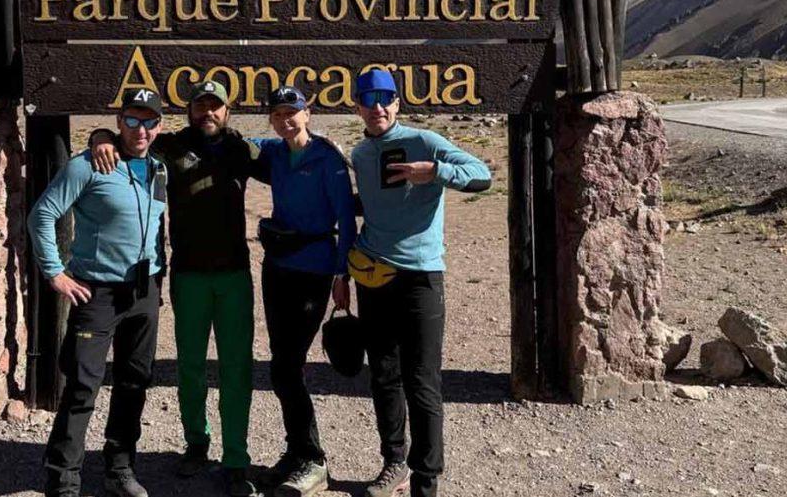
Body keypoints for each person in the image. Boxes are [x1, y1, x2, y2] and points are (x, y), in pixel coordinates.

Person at [89, 80, 263, 497]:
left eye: (215, 106)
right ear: (189, 110)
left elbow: (289, 157)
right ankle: (196, 443)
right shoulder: (170, 146)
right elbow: (126, 139)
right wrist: (99, 136)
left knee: (236, 368)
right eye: (201, 105)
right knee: (190, 366)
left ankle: (236, 458)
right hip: (188, 274)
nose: (208, 113)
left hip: (234, 274)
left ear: (227, 111)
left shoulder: (242, 148)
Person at [347, 69, 491, 497]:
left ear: (397, 103)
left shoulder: (424, 142)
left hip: (420, 276)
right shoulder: (360, 153)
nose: (377, 106)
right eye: (368, 98)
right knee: (383, 375)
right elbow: (371, 204)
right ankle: (394, 463)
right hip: (374, 274)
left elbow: (482, 174)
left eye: (385, 97)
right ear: (357, 106)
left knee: (422, 380)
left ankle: (425, 480)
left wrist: (436, 171)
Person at [27, 88, 169, 497]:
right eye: (132, 120)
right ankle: (63, 481)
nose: (140, 130)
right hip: (98, 293)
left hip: (144, 290)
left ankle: (119, 468)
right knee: (82, 386)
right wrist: (55, 272)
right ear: (119, 121)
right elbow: (42, 215)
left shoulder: (159, 169)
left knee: (134, 382)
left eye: (149, 121)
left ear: (159, 126)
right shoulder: (88, 165)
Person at [250, 86, 356, 496]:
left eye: (292, 112)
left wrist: (342, 274)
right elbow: (235, 141)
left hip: (314, 269)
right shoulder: (274, 153)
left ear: (307, 113)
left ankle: (312, 459)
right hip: (277, 268)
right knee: (281, 363)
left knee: (288, 365)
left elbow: (345, 218)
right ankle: (297, 452)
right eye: (278, 115)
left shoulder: (327, 158)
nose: (286, 120)